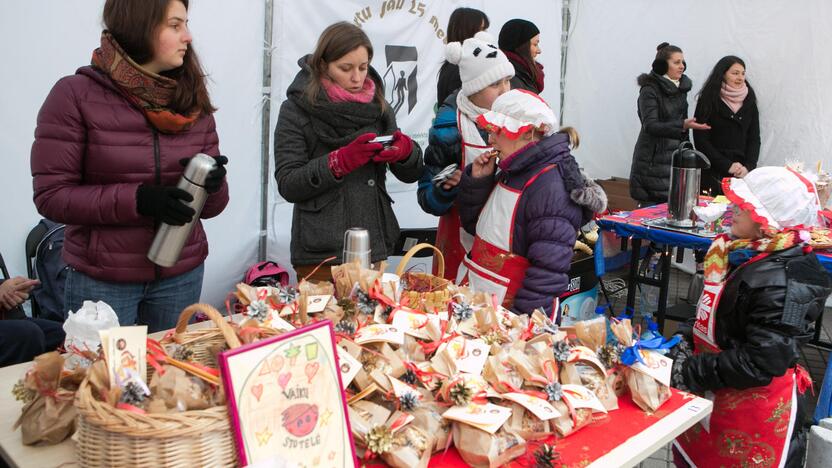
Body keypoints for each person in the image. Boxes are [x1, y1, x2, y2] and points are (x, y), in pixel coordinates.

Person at [30, 0, 229, 332]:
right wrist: (138, 200)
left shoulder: (191, 99)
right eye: (175, 25)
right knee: (106, 381)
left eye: (186, 24)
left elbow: (213, 209)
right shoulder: (75, 96)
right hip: (102, 281)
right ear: (141, 27)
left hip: (180, 274)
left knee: (170, 378)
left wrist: (214, 186)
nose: (188, 37)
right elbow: (51, 196)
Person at [671, 167, 831, 468]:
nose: (734, 211)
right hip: (719, 392)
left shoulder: (782, 281)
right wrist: (686, 337)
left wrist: (692, 370)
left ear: (766, 224)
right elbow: (721, 316)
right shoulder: (745, 253)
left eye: (743, 208)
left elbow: (760, 362)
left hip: (751, 410)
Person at [274, 22, 423, 282]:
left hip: (373, 246)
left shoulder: (378, 104)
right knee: (324, 322)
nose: (357, 78)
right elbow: (288, 183)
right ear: (324, 65)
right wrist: (337, 162)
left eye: (363, 67)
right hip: (322, 254)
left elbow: (412, 174)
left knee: (375, 322)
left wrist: (405, 153)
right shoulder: (295, 109)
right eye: (346, 68)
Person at [456, 90, 606, 317]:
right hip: (481, 303)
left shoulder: (550, 187)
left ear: (528, 134)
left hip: (510, 315)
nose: (490, 139)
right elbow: (476, 228)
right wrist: (479, 182)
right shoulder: (512, 169)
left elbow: (547, 275)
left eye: (498, 130)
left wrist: (519, 326)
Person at [417, 32, 514, 281]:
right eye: (495, 84)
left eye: (507, 81)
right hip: (458, 241)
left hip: (505, 239)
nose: (505, 90)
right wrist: (444, 189)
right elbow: (427, 196)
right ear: (473, 89)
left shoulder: (518, 119)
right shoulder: (449, 127)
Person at [629, 42, 710, 206]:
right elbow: (650, 125)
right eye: (676, 62)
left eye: (682, 62)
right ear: (662, 65)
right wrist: (682, 125)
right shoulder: (649, 90)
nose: (682, 67)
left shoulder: (680, 90)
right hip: (652, 165)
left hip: (674, 162)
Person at [693, 56, 760, 195]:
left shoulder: (750, 101)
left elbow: (754, 138)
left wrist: (748, 166)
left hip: (742, 175)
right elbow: (701, 141)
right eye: (735, 73)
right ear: (722, 74)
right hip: (713, 174)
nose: (740, 77)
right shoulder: (708, 100)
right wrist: (727, 165)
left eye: (743, 73)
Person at [436, 7, 490, 109]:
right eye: (482, 29)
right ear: (468, 31)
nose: (486, 34)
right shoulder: (460, 68)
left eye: (486, 29)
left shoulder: (456, 65)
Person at [498, 19, 544, 93]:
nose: (539, 51)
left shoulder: (523, 73)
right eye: (535, 44)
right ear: (521, 47)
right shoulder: (511, 79)